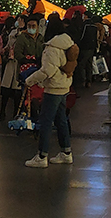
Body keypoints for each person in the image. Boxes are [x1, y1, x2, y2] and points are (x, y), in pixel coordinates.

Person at [23, 17, 77, 168]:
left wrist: (30, 80)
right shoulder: (68, 43)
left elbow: (47, 70)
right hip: (64, 86)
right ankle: (66, 152)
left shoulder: (52, 47)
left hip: (53, 88)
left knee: (45, 121)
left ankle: (42, 155)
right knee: (61, 120)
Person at [0, 15, 25, 121]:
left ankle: (16, 114)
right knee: (5, 88)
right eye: (18, 20)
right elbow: (9, 44)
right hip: (10, 62)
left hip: (18, 64)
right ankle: (2, 112)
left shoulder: (25, 34)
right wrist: (5, 49)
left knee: (17, 91)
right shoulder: (13, 32)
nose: (18, 22)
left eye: (20, 20)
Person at [77, 15, 101, 88]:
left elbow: (81, 36)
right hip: (92, 47)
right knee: (89, 64)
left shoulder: (85, 25)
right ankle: (89, 81)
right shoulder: (94, 27)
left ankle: (83, 80)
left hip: (85, 47)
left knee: (82, 64)